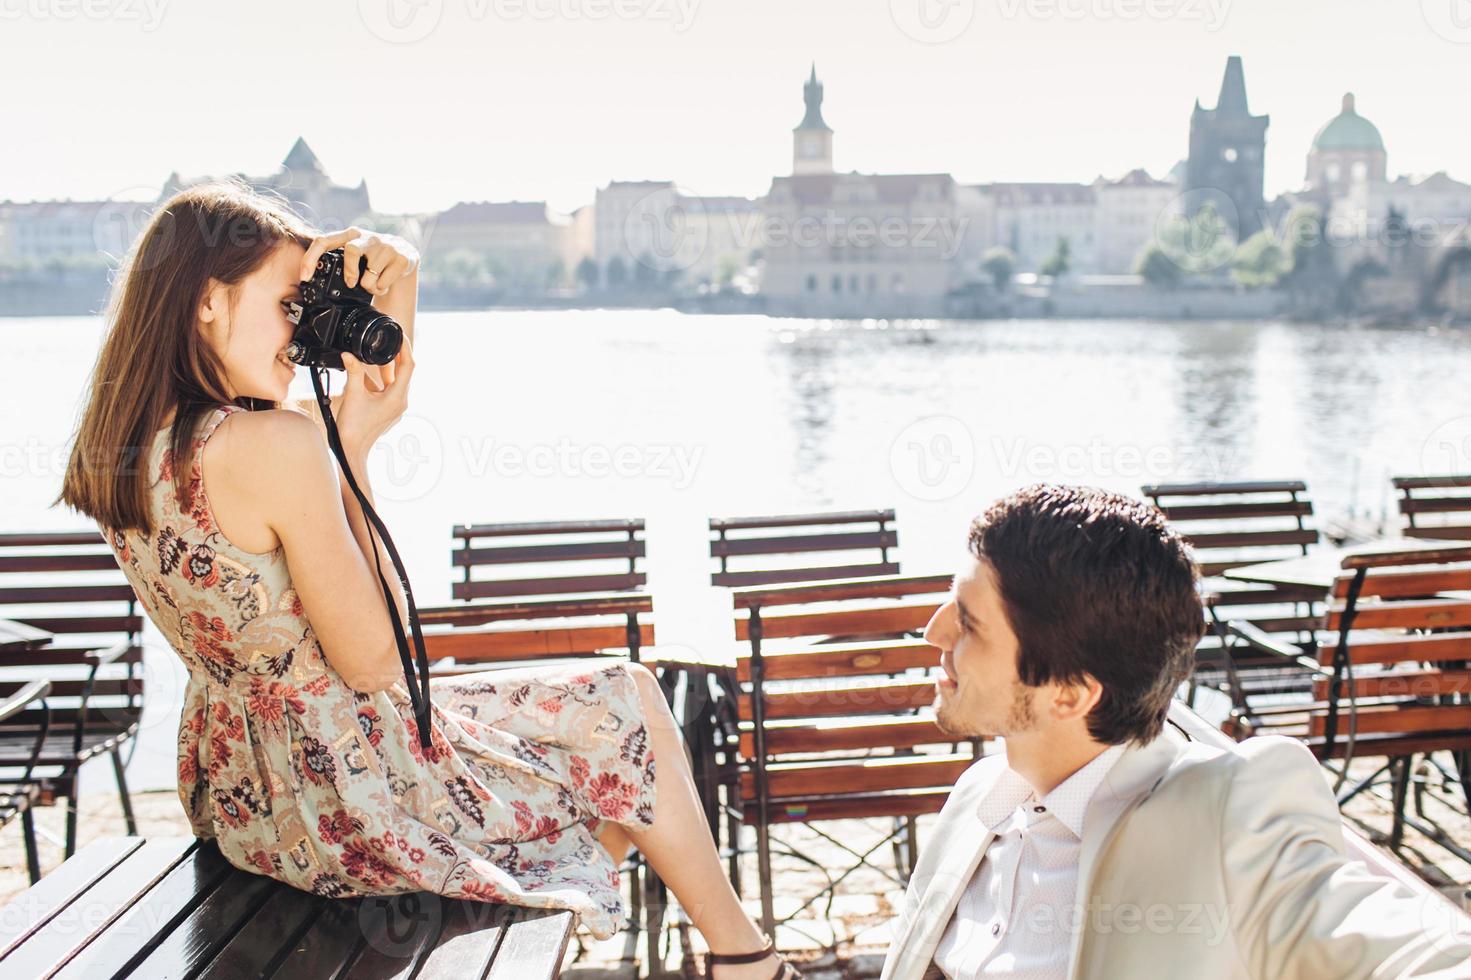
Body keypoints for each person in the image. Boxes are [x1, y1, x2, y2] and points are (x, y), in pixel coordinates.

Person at [56, 179, 800, 980]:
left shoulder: (134, 447)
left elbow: (323, 650)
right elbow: (376, 661)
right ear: (208, 301)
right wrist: (356, 452)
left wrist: (396, 269)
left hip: (241, 791)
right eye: (287, 304)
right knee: (627, 707)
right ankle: (745, 962)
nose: (300, 335)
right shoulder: (273, 445)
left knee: (614, 724)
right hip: (345, 798)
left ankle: (731, 957)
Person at [880, 483, 1471, 980]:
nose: (933, 634)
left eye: (970, 624)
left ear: (1069, 693)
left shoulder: (1226, 812)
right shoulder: (979, 797)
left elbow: (1411, 950)